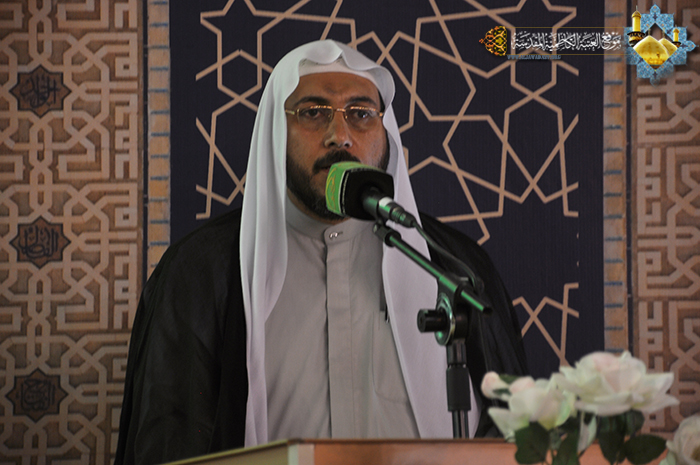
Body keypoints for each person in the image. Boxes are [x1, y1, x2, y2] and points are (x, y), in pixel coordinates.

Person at [115, 40, 527, 465]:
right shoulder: (202, 271)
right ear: (276, 131)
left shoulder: (451, 267)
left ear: (385, 133)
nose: (340, 136)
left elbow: (513, 431)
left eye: (361, 114)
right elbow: (169, 440)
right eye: (313, 112)